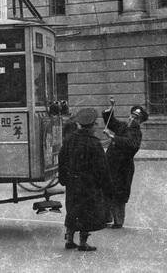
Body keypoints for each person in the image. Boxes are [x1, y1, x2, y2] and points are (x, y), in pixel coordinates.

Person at [58, 108, 112, 251]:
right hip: (89, 185)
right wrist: (106, 186)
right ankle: (83, 242)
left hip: (72, 183)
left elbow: (61, 159)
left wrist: (63, 178)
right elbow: (102, 168)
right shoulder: (94, 144)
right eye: (95, 124)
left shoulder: (70, 140)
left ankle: (69, 239)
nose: (97, 127)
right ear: (92, 125)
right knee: (87, 213)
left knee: (73, 211)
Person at [102, 104, 148, 228]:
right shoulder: (123, 126)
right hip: (111, 165)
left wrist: (112, 137)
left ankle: (118, 221)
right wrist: (109, 111)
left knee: (119, 195)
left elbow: (131, 145)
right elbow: (112, 123)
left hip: (123, 168)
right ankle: (106, 217)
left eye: (135, 117)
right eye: (131, 116)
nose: (132, 119)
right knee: (107, 190)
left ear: (140, 121)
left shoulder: (137, 133)